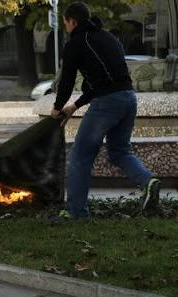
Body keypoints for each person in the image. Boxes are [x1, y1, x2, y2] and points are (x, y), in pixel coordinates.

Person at [51, 2, 160, 219]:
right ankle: (148, 181)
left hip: (107, 103)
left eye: (65, 24)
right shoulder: (109, 38)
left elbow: (66, 80)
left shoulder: (76, 43)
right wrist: (75, 105)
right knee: (119, 151)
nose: (66, 28)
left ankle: (76, 213)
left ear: (72, 21)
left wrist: (57, 107)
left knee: (80, 156)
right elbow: (107, 79)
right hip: (129, 98)